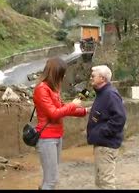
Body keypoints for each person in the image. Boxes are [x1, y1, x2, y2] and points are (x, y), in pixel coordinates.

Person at [33, 57, 89, 190]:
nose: (63, 77)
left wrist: (85, 111)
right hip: (47, 138)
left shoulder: (54, 89)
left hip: (57, 136)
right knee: (51, 180)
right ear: (55, 73)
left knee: (50, 178)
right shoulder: (42, 89)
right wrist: (72, 104)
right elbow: (54, 113)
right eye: (62, 74)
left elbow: (62, 108)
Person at [86, 65, 126, 189]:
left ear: (102, 78)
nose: (91, 78)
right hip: (102, 144)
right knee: (100, 182)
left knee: (106, 182)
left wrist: (101, 132)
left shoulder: (110, 94)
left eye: (93, 76)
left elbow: (120, 118)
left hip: (106, 145)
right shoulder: (102, 93)